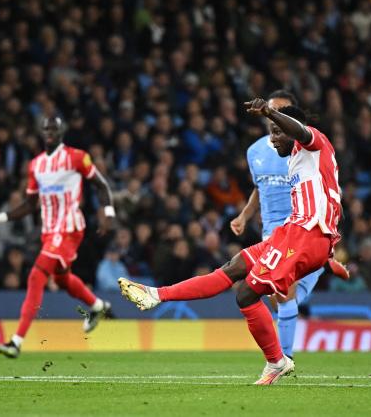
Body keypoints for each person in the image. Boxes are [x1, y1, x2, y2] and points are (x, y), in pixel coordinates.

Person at [119, 100, 343, 385]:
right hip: (292, 233)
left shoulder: (314, 141)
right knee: (233, 268)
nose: (272, 139)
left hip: (305, 235)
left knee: (247, 294)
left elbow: (302, 131)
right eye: (270, 132)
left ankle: (277, 361)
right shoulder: (300, 161)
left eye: (276, 132)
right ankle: (157, 295)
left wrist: (271, 112)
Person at [0, 116, 116, 358]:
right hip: (50, 231)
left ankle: (17, 340)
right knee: (62, 280)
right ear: (42, 132)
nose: (50, 132)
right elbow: (30, 204)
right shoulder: (36, 165)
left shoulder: (77, 157)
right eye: (46, 129)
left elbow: (101, 185)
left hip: (69, 228)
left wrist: (108, 214)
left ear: (62, 131)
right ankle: (98, 306)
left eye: (54, 128)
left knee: (36, 276)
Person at [229, 90, 349, 360]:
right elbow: (259, 187)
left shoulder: (303, 144)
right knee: (278, 294)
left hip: (302, 223)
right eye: (273, 111)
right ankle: (317, 269)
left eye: (283, 111)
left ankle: (284, 357)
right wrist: (244, 216)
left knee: (283, 292)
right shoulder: (256, 151)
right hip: (273, 227)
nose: (277, 117)